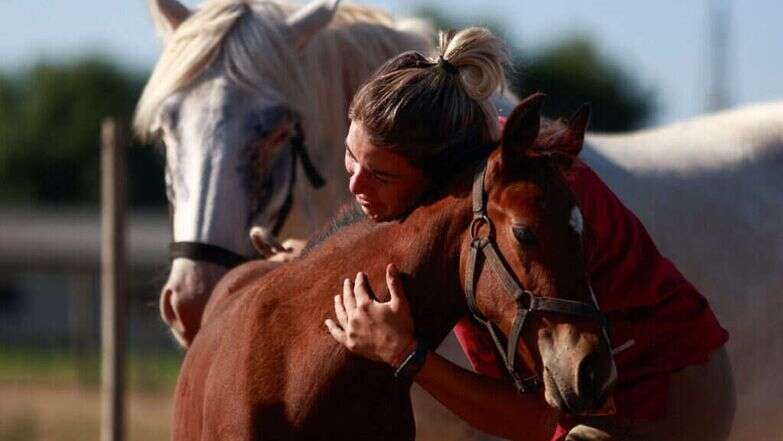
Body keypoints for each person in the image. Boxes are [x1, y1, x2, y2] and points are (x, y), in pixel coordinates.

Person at [293, 27, 733, 441]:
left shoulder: (514, 205)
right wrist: (315, 263)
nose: (355, 186)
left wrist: (405, 354)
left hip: (663, 385)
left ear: (436, 176)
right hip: (585, 386)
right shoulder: (470, 187)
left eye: (381, 175)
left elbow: (534, 419)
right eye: (352, 157)